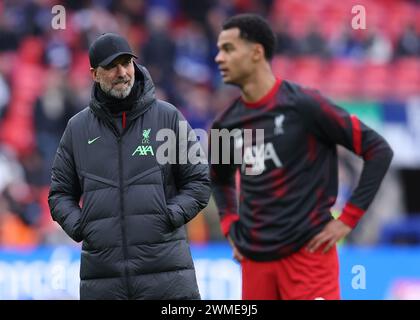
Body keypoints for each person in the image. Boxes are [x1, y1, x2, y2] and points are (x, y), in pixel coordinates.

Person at [210, 14, 393, 300]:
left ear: (257, 52)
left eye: (228, 49)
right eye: (219, 49)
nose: (219, 58)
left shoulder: (305, 105)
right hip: (255, 263)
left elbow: (378, 149)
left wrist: (347, 219)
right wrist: (230, 226)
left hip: (308, 257)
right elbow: (219, 181)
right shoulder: (225, 124)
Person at [48, 33, 210, 299]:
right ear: (94, 74)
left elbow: (199, 181)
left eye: (126, 63)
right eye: (112, 66)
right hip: (103, 282)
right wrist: (82, 226)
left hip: (167, 280)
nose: (122, 72)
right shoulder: (77, 128)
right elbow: (59, 194)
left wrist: (167, 217)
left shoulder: (167, 117)